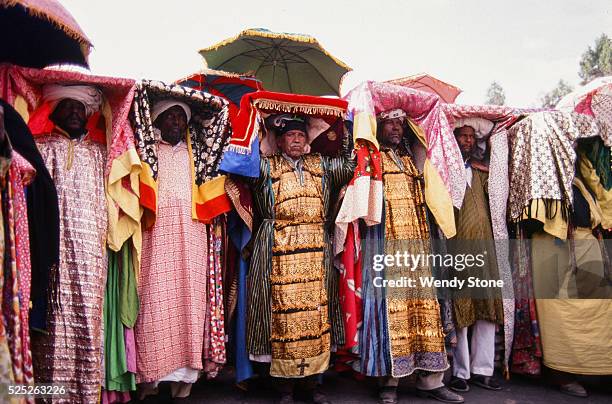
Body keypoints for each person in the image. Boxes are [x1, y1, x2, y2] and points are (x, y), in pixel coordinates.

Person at [356, 109, 464, 404]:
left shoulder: (411, 157)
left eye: (400, 123)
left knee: (427, 310)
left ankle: (431, 381)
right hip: (388, 246)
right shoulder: (369, 157)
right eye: (390, 122)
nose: (396, 128)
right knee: (393, 313)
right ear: (377, 126)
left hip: (418, 247)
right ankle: (388, 382)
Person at [247, 114, 353, 404]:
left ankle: (311, 385)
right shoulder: (265, 167)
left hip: (315, 253)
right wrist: (255, 126)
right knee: (281, 318)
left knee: (315, 317)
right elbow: (239, 164)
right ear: (280, 141)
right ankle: (284, 388)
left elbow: (351, 164)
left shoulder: (321, 165)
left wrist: (352, 125)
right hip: (277, 250)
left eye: (301, 135)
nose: (296, 140)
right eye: (290, 135)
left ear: (308, 141)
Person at [29, 84, 108, 403]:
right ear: (54, 111)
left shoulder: (101, 153)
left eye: (80, 108)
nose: (75, 113)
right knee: (50, 320)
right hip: (51, 248)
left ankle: (85, 395)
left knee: (88, 320)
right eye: (68, 107)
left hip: (91, 251)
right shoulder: (39, 147)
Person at [134, 100, 212, 400]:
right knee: (152, 303)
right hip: (155, 239)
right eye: (170, 116)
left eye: (181, 117)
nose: (176, 122)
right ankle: (149, 381)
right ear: (158, 121)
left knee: (190, 303)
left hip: (192, 239)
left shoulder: (198, 156)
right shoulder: (147, 153)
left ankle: (183, 384)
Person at [448, 121, 504, 393]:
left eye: (471, 137)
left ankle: (484, 370)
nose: (468, 141)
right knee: (462, 311)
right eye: (463, 136)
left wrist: (489, 169)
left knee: (486, 311)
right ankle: (460, 373)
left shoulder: (483, 172)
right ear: (454, 139)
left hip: (486, 251)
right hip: (458, 250)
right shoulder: (446, 171)